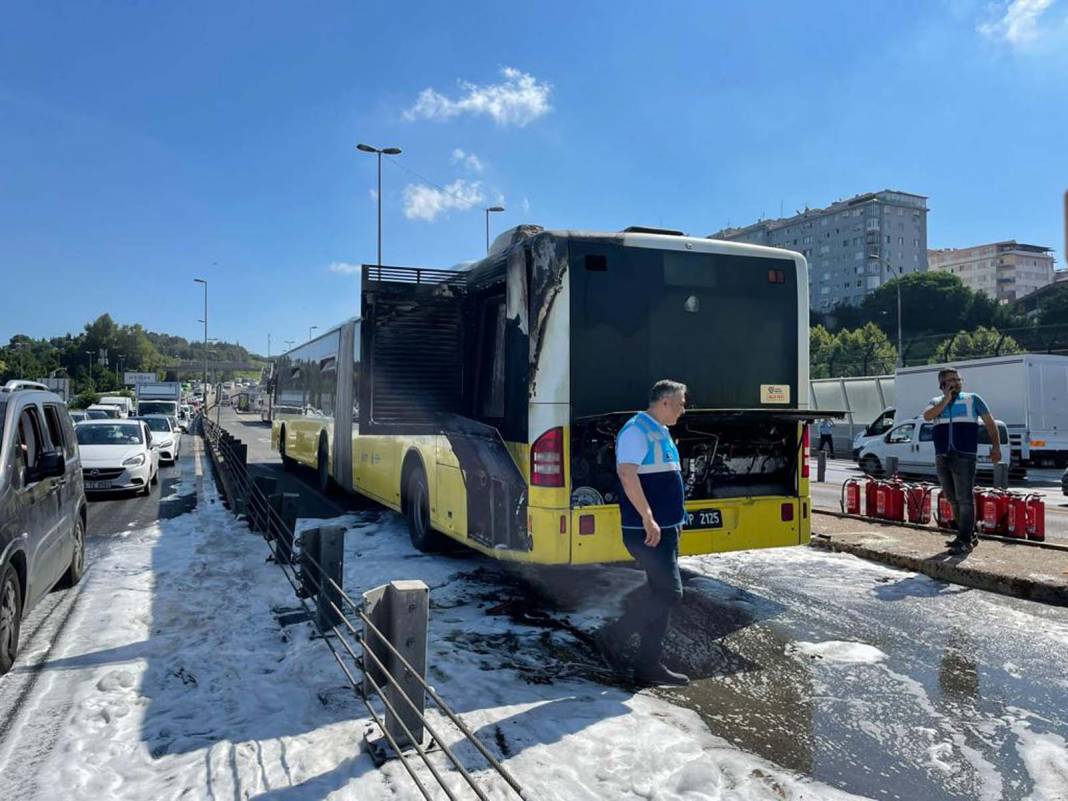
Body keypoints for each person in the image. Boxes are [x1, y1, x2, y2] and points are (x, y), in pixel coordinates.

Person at [595, 379, 690, 686]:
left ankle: (648, 665)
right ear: (664, 402)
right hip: (646, 531)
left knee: (658, 593)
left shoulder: (660, 431)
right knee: (669, 592)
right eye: (680, 402)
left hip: (665, 529)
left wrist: (676, 521)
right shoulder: (636, 430)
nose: (683, 409)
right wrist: (648, 517)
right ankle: (613, 636)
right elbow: (626, 473)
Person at [922, 368, 1001, 554]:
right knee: (951, 498)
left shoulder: (972, 399)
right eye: (950, 380)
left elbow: (990, 424)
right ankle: (967, 535)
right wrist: (946, 400)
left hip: (964, 455)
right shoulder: (936, 402)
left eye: (958, 380)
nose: (956, 383)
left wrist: (996, 447)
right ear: (942, 385)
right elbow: (927, 416)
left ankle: (964, 540)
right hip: (942, 456)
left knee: (964, 498)